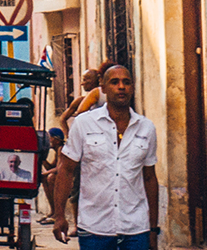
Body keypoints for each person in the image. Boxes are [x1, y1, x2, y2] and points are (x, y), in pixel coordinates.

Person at [48, 65, 159, 249]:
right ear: (104, 88)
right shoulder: (84, 124)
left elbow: (149, 178)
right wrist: (59, 216)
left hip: (136, 229)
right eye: (114, 82)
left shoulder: (146, 128)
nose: (121, 87)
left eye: (126, 82)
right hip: (94, 229)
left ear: (132, 87)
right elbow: (66, 171)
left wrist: (153, 230)